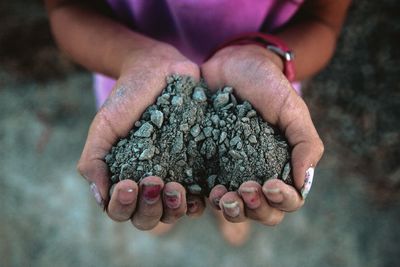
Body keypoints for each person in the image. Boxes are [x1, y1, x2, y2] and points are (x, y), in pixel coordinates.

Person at [45, 0, 350, 246]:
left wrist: (266, 58)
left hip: (258, 88)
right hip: (135, 82)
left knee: (243, 191)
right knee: (154, 193)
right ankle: (174, 207)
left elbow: (322, 21)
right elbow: (66, 8)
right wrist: (134, 56)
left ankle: (229, 207)